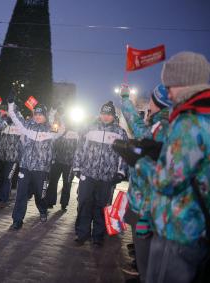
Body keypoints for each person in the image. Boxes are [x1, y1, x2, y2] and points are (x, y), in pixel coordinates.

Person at [134, 52, 210, 283]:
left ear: (185, 82)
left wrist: (141, 162)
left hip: (177, 230)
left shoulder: (189, 120)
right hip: (196, 228)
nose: (168, 93)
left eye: (170, 86)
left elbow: (167, 182)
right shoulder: (204, 116)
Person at [119, 84, 171, 282]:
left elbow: (136, 125)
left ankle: (145, 275)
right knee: (145, 248)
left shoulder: (161, 127)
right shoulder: (162, 123)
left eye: (151, 99)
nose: (149, 102)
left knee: (145, 249)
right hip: (147, 201)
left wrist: (125, 98)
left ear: (158, 103)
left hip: (146, 204)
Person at [72, 101, 128, 246]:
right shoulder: (89, 128)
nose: (105, 117)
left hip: (107, 176)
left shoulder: (119, 132)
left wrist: (120, 171)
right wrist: (77, 167)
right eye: (103, 113)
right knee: (84, 203)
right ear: (100, 114)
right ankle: (82, 234)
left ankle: (98, 236)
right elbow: (80, 148)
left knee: (101, 206)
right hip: (88, 173)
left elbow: (124, 154)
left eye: (109, 114)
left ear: (113, 116)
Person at [7, 93, 65, 230]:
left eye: (41, 114)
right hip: (25, 166)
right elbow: (16, 118)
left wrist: (57, 112)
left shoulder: (51, 129)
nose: (38, 116)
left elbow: (62, 129)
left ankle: (43, 210)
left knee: (40, 194)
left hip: (41, 169)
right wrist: (10, 105)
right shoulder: (27, 126)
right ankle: (17, 220)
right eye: (36, 114)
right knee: (21, 194)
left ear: (45, 116)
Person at [46, 110, 79, 211]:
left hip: (69, 163)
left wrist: (76, 163)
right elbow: (53, 140)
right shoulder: (59, 129)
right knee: (52, 182)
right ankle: (50, 201)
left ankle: (64, 204)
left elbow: (78, 149)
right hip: (57, 161)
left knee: (67, 183)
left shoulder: (77, 133)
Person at [0, 115, 22, 208]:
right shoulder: (4, 124)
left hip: (13, 158)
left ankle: (4, 198)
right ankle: (1, 196)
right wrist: (3, 119)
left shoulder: (20, 126)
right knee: (2, 177)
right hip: (2, 156)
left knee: (7, 178)